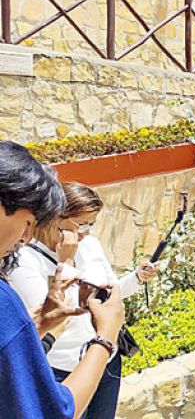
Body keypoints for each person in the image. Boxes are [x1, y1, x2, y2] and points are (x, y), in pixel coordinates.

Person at [7, 182, 159, 419]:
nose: (87, 232)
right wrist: (65, 262)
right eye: (81, 224)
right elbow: (57, 315)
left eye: (92, 224)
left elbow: (109, 292)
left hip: (105, 356)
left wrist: (136, 279)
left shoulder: (89, 245)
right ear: (56, 217)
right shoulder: (25, 261)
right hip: (62, 367)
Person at [0, 141, 125, 419]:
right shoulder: (9, 287)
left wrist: (39, 328)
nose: (25, 237)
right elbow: (56, 411)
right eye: (29, 223)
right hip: (63, 365)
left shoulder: (90, 245)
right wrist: (106, 338)